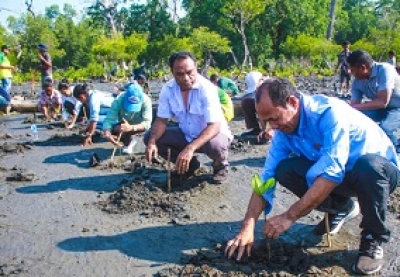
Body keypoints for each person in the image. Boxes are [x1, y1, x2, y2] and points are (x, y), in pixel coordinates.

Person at [225, 77, 399, 276]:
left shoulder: (329, 113)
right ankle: (340, 207)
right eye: (265, 121)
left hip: (379, 174)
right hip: (344, 178)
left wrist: (289, 216)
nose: (270, 128)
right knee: (285, 169)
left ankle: (373, 239)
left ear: (292, 102)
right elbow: (266, 179)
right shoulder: (283, 134)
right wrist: (248, 226)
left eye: (274, 118)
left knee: (368, 166)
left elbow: (332, 172)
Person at [144, 51, 232, 184]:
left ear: (196, 67)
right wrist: (151, 143)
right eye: (180, 74)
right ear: (172, 72)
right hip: (187, 134)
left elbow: (214, 126)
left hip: (212, 136)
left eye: (190, 72)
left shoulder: (207, 89)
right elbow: (161, 121)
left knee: (216, 145)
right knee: (150, 137)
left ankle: (220, 166)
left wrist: (189, 149)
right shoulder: (168, 90)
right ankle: (189, 166)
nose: (186, 78)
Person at [348, 50, 400, 151]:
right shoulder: (357, 82)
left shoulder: (385, 70)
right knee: (353, 119)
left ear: (363, 68)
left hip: (397, 106)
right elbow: (354, 107)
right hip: (380, 108)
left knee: (385, 128)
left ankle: (394, 152)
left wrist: (352, 107)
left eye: (352, 69)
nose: (350, 72)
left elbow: (382, 102)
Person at [103, 82, 152, 154]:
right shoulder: (118, 100)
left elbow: (147, 123)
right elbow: (109, 119)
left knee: (154, 131)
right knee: (115, 130)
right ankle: (129, 142)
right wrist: (107, 133)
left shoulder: (146, 100)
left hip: (140, 124)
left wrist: (131, 128)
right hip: (125, 124)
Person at [0, 45, 17, 114]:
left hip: (8, 76)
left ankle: (5, 106)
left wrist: (13, 69)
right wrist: (11, 67)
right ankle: (5, 107)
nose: (9, 51)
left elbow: (7, 67)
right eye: (8, 50)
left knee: (6, 91)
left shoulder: (5, 57)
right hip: (5, 76)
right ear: (4, 50)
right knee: (5, 92)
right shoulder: (1, 55)